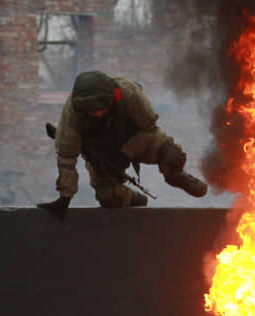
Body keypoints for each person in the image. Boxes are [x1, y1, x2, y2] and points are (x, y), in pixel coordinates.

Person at [38, 70, 208, 218]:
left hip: (138, 139)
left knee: (172, 155)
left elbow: (149, 129)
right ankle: (132, 197)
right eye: (91, 111)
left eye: (100, 109)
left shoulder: (129, 93)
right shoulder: (73, 112)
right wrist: (64, 198)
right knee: (109, 199)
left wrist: (125, 153)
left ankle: (176, 176)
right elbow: (67, 156)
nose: (96, 114)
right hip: (102, 152)